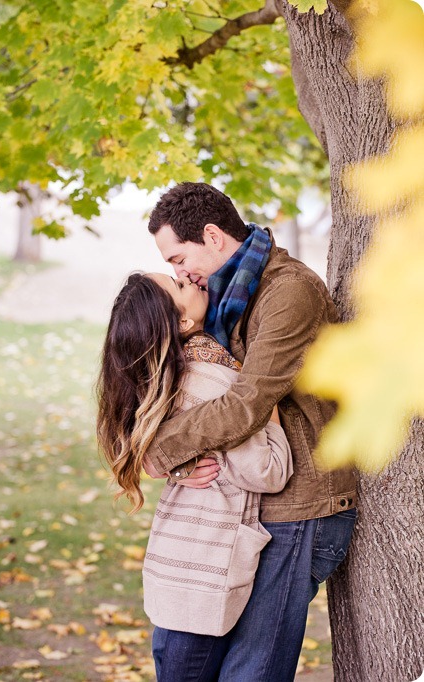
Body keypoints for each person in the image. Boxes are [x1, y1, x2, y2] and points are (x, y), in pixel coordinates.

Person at [144, 182, 358, 682]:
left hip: (301, 505)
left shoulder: (289, 291)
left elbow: (246, 404)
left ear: (213, 236)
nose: (179, 273)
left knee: (252, 671)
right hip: (250, 502)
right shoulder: (222, 298)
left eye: (178, 258)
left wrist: (158, 452)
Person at [96, 272, 293, 681]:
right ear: (183, 323)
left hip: (181, 570)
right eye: (178, 285)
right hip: (201, 579)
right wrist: (264, 400)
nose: (190, 279)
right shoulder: (212, 380)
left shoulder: (174, 376)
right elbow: (269, 471)